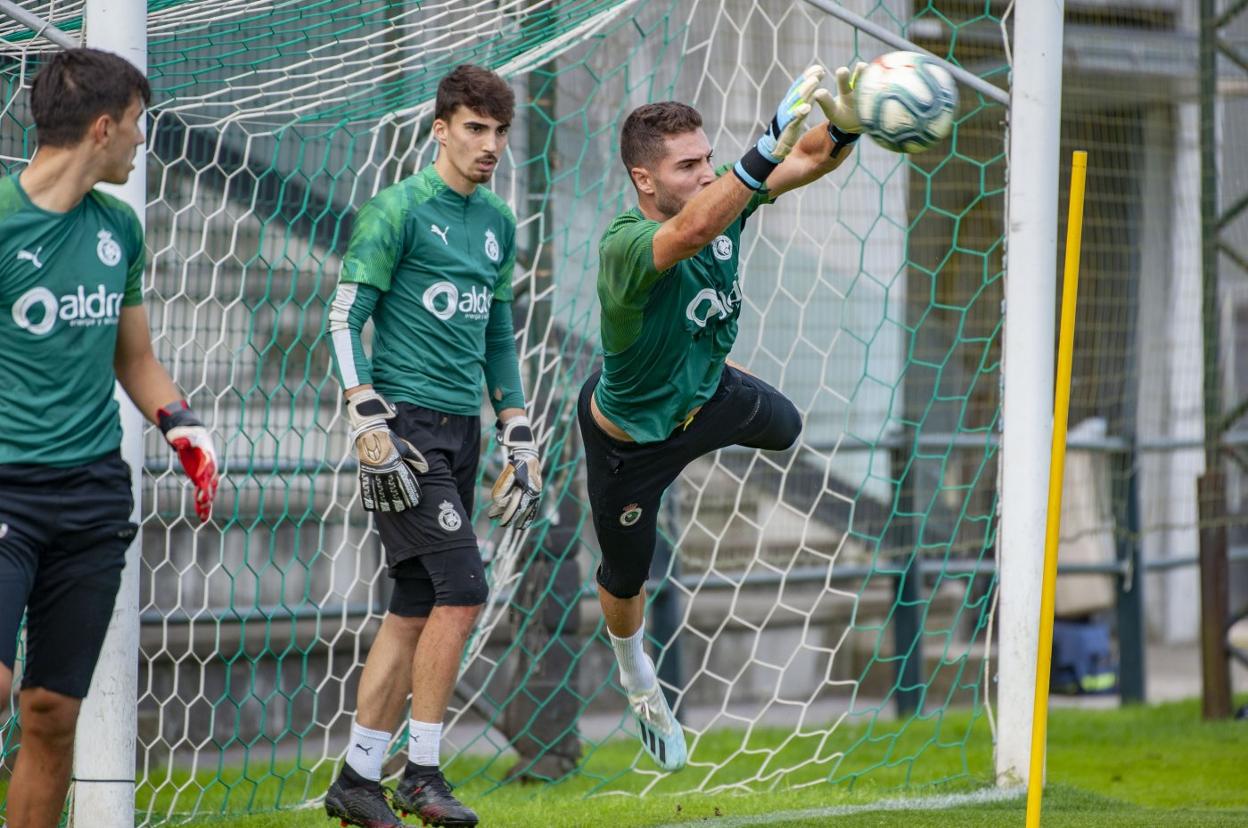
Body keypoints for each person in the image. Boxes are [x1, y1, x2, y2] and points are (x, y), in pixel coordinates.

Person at [576, 63, 866, 771]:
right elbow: (694, 230)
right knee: (624, 578)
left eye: (709, 159)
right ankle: (637, 675)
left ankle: (713, 395)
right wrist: (761, 145)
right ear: (645, 181)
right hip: (631, 439)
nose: (706, 175)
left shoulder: (722, 195)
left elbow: (804, 157)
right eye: (686, 166)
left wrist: (856, 121)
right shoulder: (624, 246)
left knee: (788, 427)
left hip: (709, 395)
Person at [0, 48, 219, 828]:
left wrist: (183, 426)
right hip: (6, 491)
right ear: (102, 128)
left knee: (52, 710)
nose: (139, 141)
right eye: (135, 126)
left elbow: (135, 359)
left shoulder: (118, 227)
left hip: (92, 495)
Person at [324, 63, 542, 828]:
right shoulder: (397, 211)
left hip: (466, 431)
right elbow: (342, 317)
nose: (489, 146)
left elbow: (498, 336)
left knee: (416, 603)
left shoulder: (497, 223)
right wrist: (367, 416)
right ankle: (422, 770)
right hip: (406, 430)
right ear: (441, 127)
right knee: (464, 589)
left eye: (499, 133)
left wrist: (517, 427)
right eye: (475, 129)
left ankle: (355, 780)